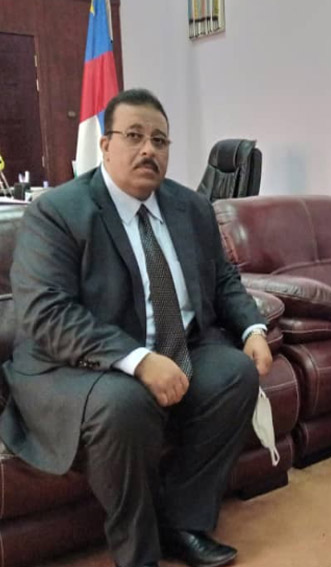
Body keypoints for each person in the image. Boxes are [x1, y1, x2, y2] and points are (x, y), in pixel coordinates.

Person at [0, 89, 273, 567]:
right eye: (134, 136)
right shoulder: (58, 212)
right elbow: (46, 312)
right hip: (73, 363)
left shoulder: (191, 207)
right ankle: (138, 553)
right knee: (126, 403)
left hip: (175, 344)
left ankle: (183, 522)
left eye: (160, 140)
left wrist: (253, 329)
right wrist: (140, 361)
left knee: (235, 374)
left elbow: (223, 278)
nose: (149, 149)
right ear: (105, 146)